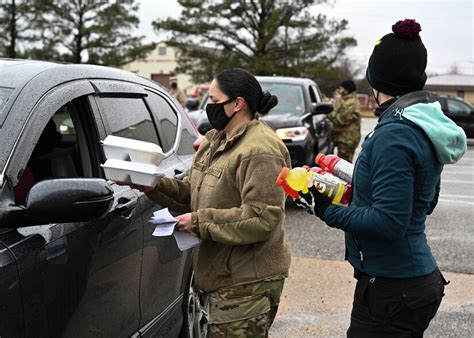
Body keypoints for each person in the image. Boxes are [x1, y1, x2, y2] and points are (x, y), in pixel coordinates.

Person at [297, 19, 467, 337]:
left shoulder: (395, 134)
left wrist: (323, 208)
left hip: (393, 288)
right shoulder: (424, 124)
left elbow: (390, 221)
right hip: (410, 282)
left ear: (377, 80)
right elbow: (423, 202)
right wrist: (346, 185)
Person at [134, 68, 292, 337]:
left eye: (214, 100)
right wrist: (152, 185)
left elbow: (262, 217)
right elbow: (190, 193)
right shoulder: (215, 141)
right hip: (221, 273)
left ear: (237, 104)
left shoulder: (260, 150)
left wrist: (198, 222)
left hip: (247, 279)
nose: (209, 107)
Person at [329, 79, 361, 162]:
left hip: (347, 140)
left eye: (341, 88)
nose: (339, 91)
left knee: (344, 167)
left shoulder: (351, 103)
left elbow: (341, 120)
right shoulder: (345, 100)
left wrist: (330, 114)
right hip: (342, 138)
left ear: (347, 90)